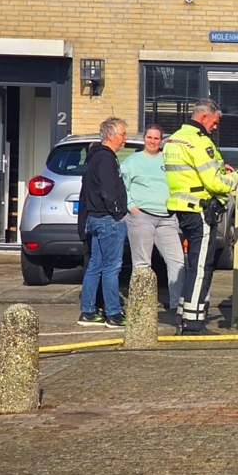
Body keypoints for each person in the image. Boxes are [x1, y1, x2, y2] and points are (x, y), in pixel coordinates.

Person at [164, 98, 238, 334]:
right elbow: (214, 182)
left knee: (191, 266)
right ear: (204, 117)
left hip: (182, 208)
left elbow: (190, 174)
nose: (215, 127)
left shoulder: (174, 139)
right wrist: (237, 178)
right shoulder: (199, 142)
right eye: (215, 122)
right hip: (200, 211)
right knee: (201, 268)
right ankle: (194, 321)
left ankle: (182, 315)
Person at [120, 124, 186, 313]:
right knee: (142, 263)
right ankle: (141, 307)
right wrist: (132, 207)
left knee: (177, 262)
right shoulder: (132, 161)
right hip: (142, 217)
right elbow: (122, 186)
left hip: (167, 218)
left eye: (156, 138)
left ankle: (177, 305)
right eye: (150, 137)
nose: (153, 141)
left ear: (161, 140)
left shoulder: (167, 160)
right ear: (144, 139)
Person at [77, 117, 129, 327]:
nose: (125, 138)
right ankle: (113, 313)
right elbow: (108, 191)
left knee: (95, 265)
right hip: (107, 220)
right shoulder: (105, 158)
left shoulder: (94, 157)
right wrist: (118, 213)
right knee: (111, 267)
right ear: (110, 135)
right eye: (122, 134)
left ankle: (88, 311)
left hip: (95, 218)